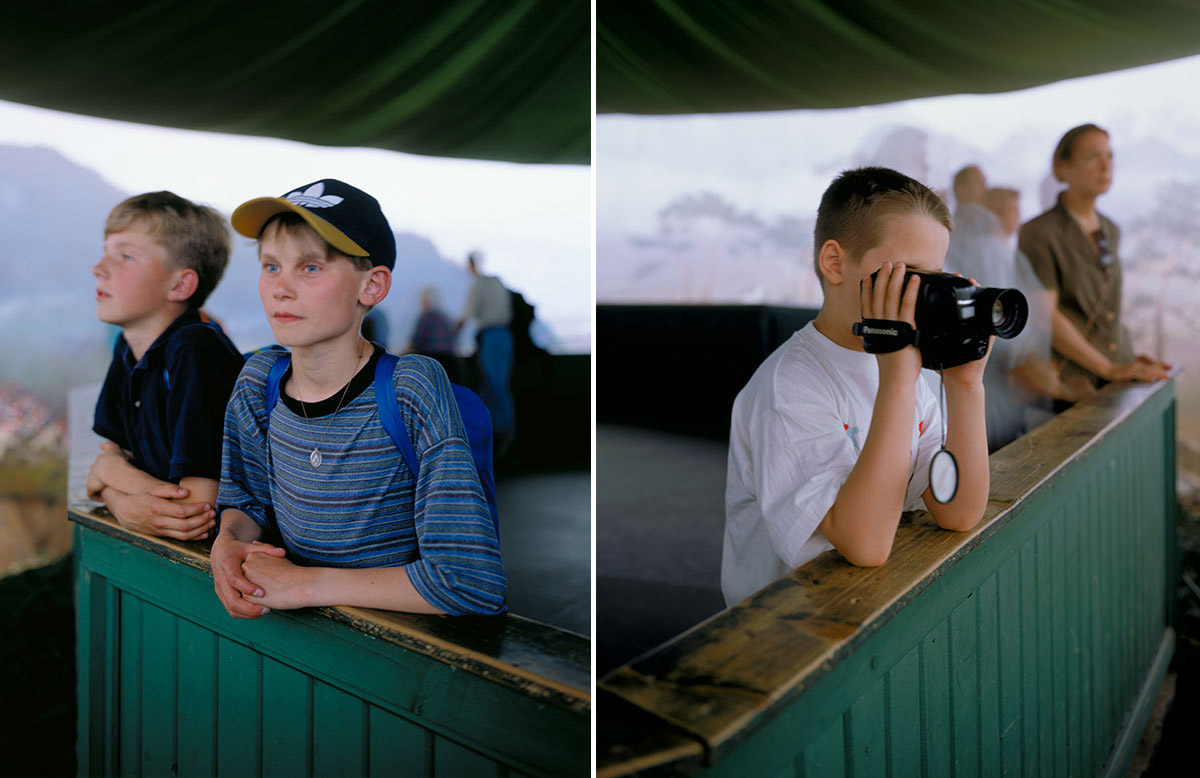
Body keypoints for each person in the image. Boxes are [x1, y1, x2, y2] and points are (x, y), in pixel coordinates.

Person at [214, 179, 506, 619]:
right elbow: (246, 498)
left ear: (371, 286)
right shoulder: (259, 382)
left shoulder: (411, 389)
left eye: (310, 267)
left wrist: (308, 583)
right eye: (271, 266)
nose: (281, 288)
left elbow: (469, 581)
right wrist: (228, 541)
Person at [721, 167, 990, 607]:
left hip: (860, 610)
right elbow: (864, 544)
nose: (924, 295)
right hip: (781, 632)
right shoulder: (790, 385)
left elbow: (958, 511)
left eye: (936, 276)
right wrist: (898, 379)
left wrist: (965, 384)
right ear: (835, 262)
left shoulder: (914, 377)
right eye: (908, 274)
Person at [86, 191, 244, 541]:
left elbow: (196, 510)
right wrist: (122, 503)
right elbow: (105, 462)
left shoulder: (196, 349)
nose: (98, 269)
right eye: (105, 252)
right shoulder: (128, 348)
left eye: (125, 256)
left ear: (180, 284)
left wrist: (111, 479)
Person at [1018, 124, 1170, 395]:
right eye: (1092, 157)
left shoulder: (1110, 229)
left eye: (1109, 156)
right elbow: (1044, 316)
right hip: (1073, 380)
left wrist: (1125, 357)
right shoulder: (1039, 232)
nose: (1106, 166)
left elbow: (1101, 309)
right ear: (1063, 169)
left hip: (1117, 365)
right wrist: (1108, 368)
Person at [456, 252, 514, 449]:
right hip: (504, 336)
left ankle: (500, 433)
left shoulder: (480, 285)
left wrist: (451, 334)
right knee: (497, 385)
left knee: (493, 384)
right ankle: (502, 431)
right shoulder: (497, 283)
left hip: (491, 337)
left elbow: (468, 314)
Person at [406, 286, 461, 384]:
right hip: (451, 362)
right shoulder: (445, 317)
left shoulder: (426, 317)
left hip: (434, 361)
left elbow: (416, 342)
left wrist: (398, 354)